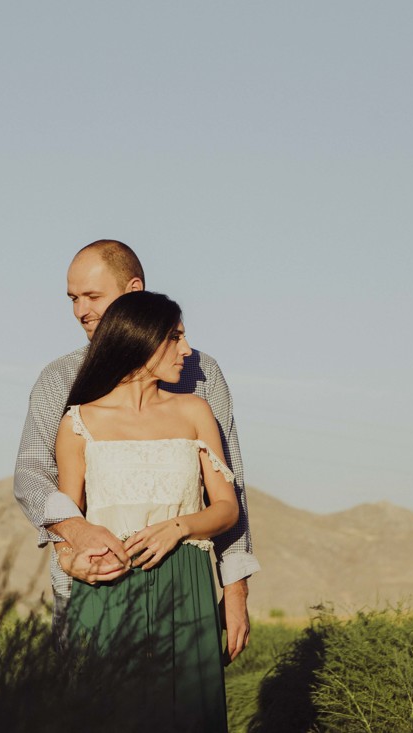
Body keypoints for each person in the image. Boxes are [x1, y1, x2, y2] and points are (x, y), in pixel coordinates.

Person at [13, 239, 259, 661]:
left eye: (92, 296)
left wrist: (235, 589)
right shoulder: (59, 379)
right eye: (73, 298)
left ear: (133, 291)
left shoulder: (200, 376)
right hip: (88, 585)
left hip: (187, 584)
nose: (79, 311)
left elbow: (228, 485)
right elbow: (33, 474)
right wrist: (74, 540)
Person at [56, 290, 236, 730]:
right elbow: (65, 527)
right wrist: (72, 562)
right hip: (108, 591)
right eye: (174, 337)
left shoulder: (195, 411)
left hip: (188, 584)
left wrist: (178, 527)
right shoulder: (77, 422)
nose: (187, 350)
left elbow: (228, 509)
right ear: (141, 340)